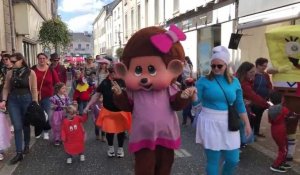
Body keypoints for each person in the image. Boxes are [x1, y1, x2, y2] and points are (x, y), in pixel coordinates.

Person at [112, 25, 194, 174]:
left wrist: (183, 97)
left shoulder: (170, 88)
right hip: (143, 136)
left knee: (164, 166)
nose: (144, 77)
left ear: (174, 68)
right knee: (144, 167)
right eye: (137, 70)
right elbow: (126, 106)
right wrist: (118, 95)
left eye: (152, 69)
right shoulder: (133, 92)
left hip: (165, 135)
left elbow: (176, 104)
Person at [195, 46, 252, 175]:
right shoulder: (203, 81)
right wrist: (192, 95)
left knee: (233, 160)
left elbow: (240, 104)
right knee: (213, 161)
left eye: (219, 66)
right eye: (213, 66)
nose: (215, 69)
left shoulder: (235, 81)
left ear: (226, 65)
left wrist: (247, 123)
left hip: (229, 122)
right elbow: (196, 102)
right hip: (209, 121)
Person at [84, 66, 131, 158]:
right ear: (110, 73)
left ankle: (120, 149)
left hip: (121, 111)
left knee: (121, 131)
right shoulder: (105, 83)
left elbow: (132, 95)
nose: (118, 74)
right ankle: (111, 148)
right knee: (110, 131)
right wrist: (88, 106)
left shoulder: (124, 81)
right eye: (115, 72)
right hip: (108, 111)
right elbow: (96, 95)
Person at [0, 53, 38, 164]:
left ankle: (26, 145)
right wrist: (4, 100)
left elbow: (34, 89)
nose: (11, 63)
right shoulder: (10, 72)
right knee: (17, 127)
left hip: (27, 99)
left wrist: (35, 103)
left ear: (21, 60)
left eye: (13, 61)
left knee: (26, 124)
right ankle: (18, 153)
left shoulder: (31, 73)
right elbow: (6, 87)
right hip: (13, 101)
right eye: (10, 61)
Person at [236, 62, 270, 138]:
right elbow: (253, 96)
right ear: (244, 72)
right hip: (239, 108)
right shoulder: (243, 83)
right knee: (244, 124)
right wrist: (268, 105)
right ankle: (244, 139)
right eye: (251, 72)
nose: (253, 74)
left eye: (254, 71)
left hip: (246, 105)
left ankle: (249, 136)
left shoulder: (244, 79)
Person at [32, 53, 60, 139]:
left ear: (47, 59)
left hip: (47, 96)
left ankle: (46, 131)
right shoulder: (33, 69)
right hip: (35, 95)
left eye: (44, 58)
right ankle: (38, 131)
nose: (42, 60)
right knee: (37, 114)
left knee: (47, 114)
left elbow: (57, 82)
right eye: (40, 58)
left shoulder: (50, 70)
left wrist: (59, 94)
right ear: (37, 59)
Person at [268, 91, 292, 173]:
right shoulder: (283, 109)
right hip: (280, 130)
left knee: (284, 145)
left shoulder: (270, 109)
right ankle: (276, 165)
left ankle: (282, 162)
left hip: (274, 129)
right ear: (281, 99)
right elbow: (290, 114)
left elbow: (270, 120)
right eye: (283, 97)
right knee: (283, 149)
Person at [252, 58, 273, 137]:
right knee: (253, 117)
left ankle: (256, 132)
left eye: (265, 66)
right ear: (257, 65)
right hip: (254, 101)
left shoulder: (265, 75)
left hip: (263, 100)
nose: (264, 68)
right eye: (263, 66)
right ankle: (251, 133)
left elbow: (269, 85)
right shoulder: (253, 74)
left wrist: (269, 94)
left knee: (259, 116)